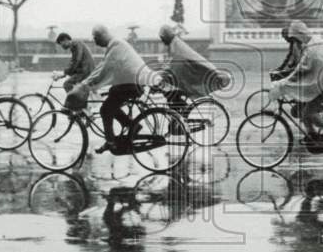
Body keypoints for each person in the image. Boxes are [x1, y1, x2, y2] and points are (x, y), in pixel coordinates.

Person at [71, 24, 160, 155]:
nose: (95, 42)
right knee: (111, 103)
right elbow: (104, 65)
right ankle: (132, 126)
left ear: (102, 35)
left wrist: (85, 84)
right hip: (130, 82)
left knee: (105, 110)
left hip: (132, 83)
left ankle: (111, 141)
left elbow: (105, 68)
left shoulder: (116, 45)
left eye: (95, 38)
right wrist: (89, 82)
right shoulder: (115, 44)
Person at [157, 24, 227, 111]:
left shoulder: (175, 44)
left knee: (170, 92)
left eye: (163, 38)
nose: (162, 41)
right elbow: (170, 63)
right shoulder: (174, 43)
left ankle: (180, 116)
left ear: (167, 36)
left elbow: (172, 63)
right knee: (170, 93)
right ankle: (178, 117)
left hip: (188, 74)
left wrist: (161, 74)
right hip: (184, 73)